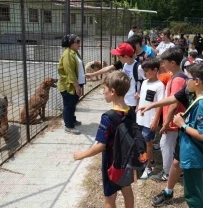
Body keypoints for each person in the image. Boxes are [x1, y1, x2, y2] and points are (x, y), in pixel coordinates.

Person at [139, 55, 203, 207]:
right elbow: (174, 98)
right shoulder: (192, 88)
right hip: (187, 138)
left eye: (190, 76)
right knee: (177, 162)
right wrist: (152, 105)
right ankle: (168, 192)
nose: (187, 80)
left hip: (201, 139)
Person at [73, 71, 134, 208]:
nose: (103, 92)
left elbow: (101, 145)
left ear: (112, 91)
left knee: (109, 197)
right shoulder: (131, 111)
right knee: (126, 187)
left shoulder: (107, 117)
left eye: (104, 89)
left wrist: (82, 154)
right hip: (126, 159)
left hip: (111, 162)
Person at [173, 62, 203, 207]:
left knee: (192, 194)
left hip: (193, 154)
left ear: (197, 81)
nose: (187, 82)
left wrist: (182, 124)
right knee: (193, 190)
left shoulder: (202, 104)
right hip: (193, 152)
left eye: (189, 78)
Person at [150, 48, 187, 183]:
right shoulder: (176, 76)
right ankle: (177, 171)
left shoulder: (177, 80)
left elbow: (173, 103)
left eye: (164, 62)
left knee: (165, 144)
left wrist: (166, 123)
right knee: (171, 146)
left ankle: (167, 173)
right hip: (173, 120)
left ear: (172, 63)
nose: (162, 65)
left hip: (173, 121)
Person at [137, 58, 164, 179]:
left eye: (146, 71)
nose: (144, 73)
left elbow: (160, 105)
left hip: (150, 119)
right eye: (144, 71)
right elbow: (142, 98)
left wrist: (155, 120)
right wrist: (137, 107)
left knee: (148, 142)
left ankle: (148, 168)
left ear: (155, 70)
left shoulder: (159, 86)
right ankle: (149, 159)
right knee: (142, 141)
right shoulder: (144, 82)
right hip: (141, 118)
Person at [57, 34, 85, 135]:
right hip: (69, 86)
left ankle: (72, 120)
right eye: (77, 42)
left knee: (73, 104)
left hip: (75, 84)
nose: (79, 44)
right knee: (69, 105)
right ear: (71, 44)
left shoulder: (74, 52)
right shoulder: (68, 54)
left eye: (79, 41)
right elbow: (70, 72)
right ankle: (69, 126)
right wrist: (77, 86)